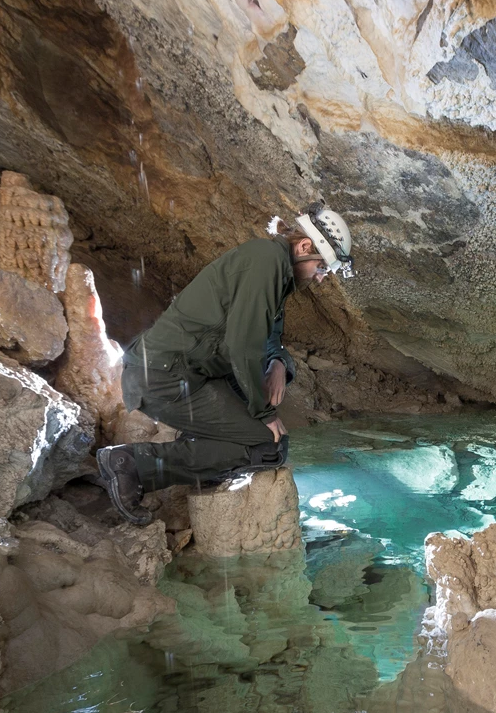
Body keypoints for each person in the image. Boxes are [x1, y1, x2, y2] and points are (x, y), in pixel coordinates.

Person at [96, 203, 354, 525]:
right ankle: (132, 464)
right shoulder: (267, 261)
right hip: (165, 376)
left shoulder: (275, 273)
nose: (319, 278)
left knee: (268, 440)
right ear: (304, 247)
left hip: (191, 373)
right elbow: (242, 346)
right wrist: (264, 413)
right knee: (266, 445)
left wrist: (277, 364)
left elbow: (269, 339)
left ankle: (198, 448)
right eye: (321, 267)